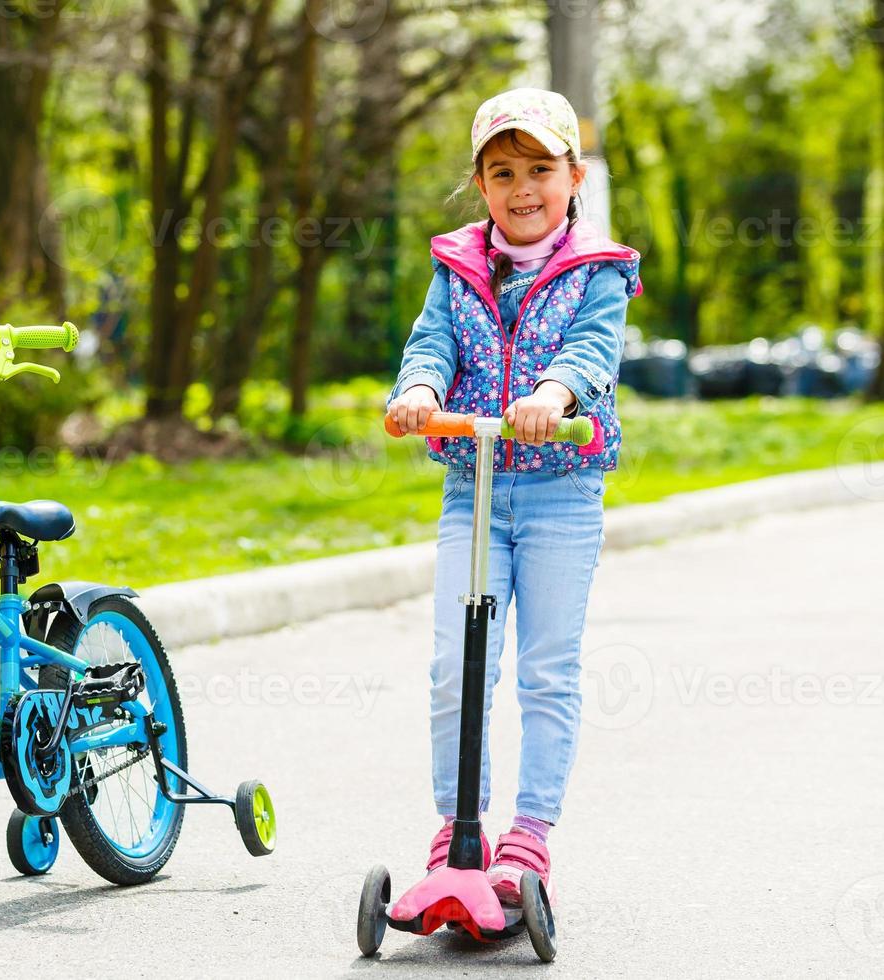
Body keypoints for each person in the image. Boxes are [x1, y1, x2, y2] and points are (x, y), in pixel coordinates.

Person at [384, 88, 641, 905]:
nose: (522, 187)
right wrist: (419, 389)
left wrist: (556, 394)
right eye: (502, 171)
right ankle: (458, 828)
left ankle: (528, 838)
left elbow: (594, 348)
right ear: (481, 183)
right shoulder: (457, 266)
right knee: (456, 666)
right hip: (475, 489)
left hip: (562, 492)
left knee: (547, 670)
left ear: (572, 176)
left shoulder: (597, 270)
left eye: (539, 168)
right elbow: (431, 342)